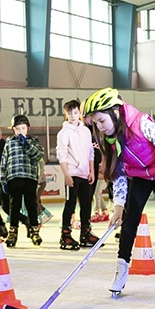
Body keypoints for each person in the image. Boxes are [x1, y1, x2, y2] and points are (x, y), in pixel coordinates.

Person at [82, 87, 155, 299]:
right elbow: (120, 174)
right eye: (95, 123)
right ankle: (121, 271)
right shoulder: (111, 139)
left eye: (101, 121)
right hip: (140, 176)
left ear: (115, 112)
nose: (100, 127)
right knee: (129, 221)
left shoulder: (141, 124)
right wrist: (118, 207)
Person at [56, 99, 99, 250]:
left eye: (75, 112)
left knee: (87, 204)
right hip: (72, 173)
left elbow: (90, 152)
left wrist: (92, 171)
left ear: (80, 113)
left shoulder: (86, 131)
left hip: (85, 174)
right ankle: (65, 234)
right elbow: (61, 154)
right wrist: (66, 174)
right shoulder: (63, 133)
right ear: (65, 114)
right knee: (70, 204)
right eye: (69, 113)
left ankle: (86, 233)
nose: (73, 116)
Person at [0, 114, 44, 248]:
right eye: (17, 128)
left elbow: (38, 155)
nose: (20, 131)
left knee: (31, 204)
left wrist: (27, 144)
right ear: (13, 129)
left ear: (28, 128)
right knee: (15, 205)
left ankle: (34, 230)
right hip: (14, 177)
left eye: (23, 128)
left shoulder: (33, 141)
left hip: (29, 177)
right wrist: (3, 180)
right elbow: (4, 161)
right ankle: (13, 232)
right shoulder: (9, 142)